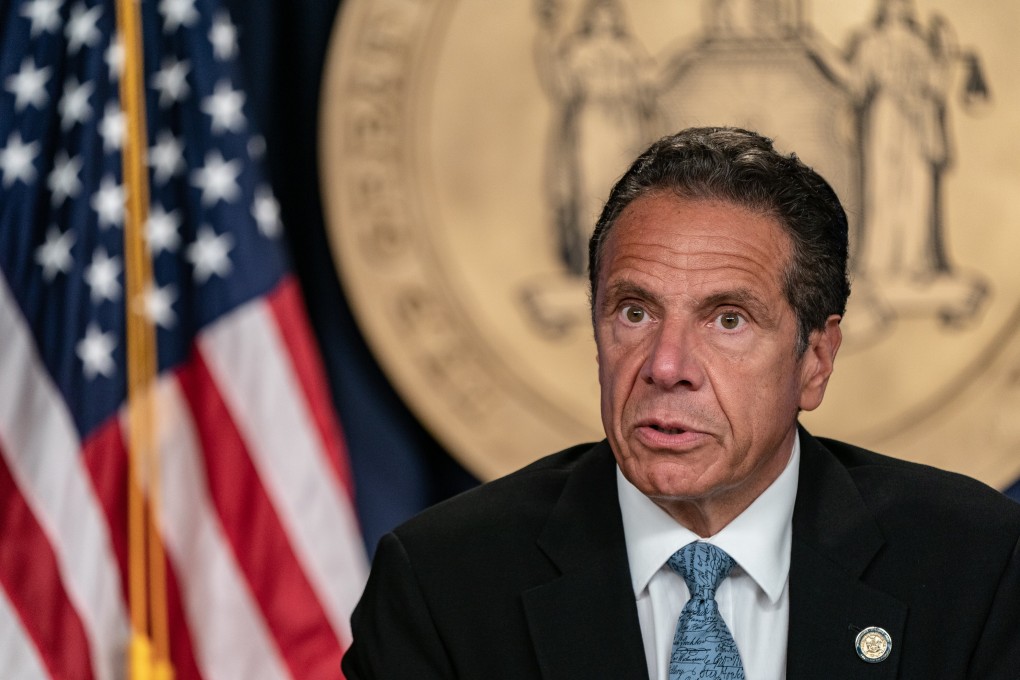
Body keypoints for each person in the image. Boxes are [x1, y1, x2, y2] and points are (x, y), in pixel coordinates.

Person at [341, 127, 1020, 679]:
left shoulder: (975, 567)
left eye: (728, 320)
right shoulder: (444, 584)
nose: (666, 367)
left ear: (816, 360)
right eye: (634, 312)